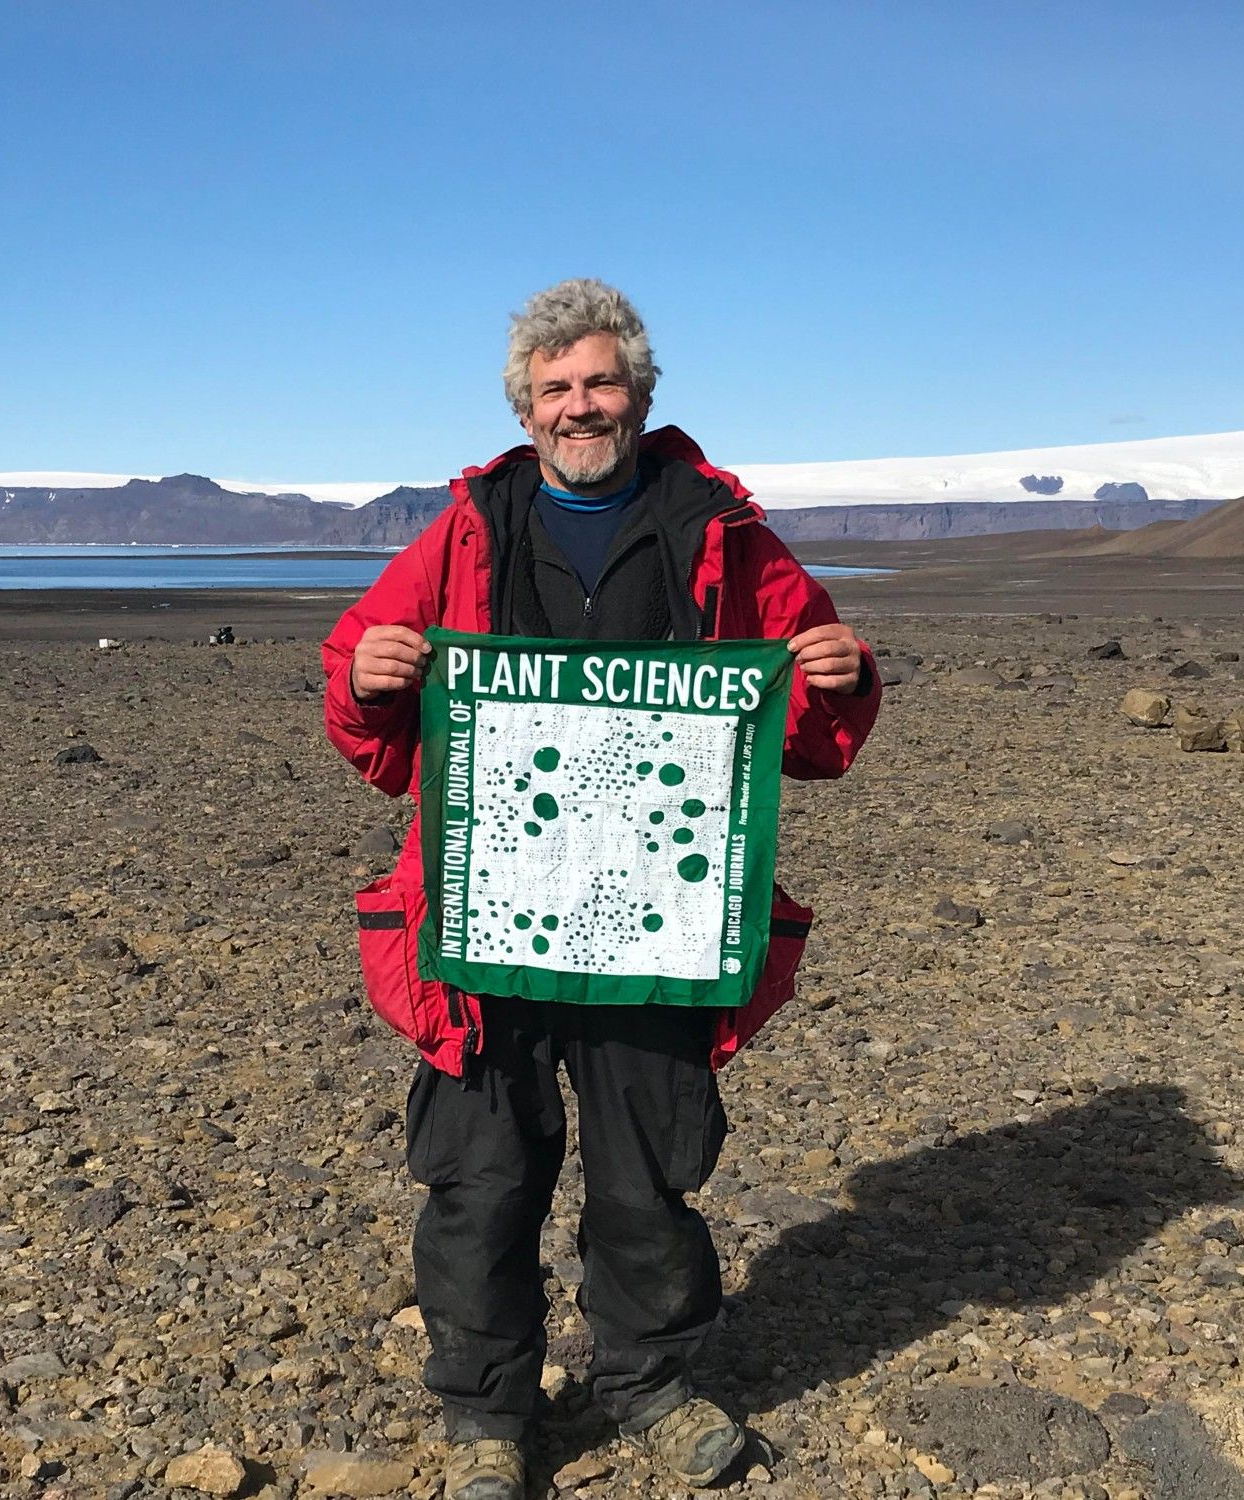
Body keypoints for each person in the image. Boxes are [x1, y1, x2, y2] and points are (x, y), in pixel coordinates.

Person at [321, 279, 880, 1498]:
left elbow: (812, 733)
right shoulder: (470, 527)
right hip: (487, 910)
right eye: (555, 388)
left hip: (653, 924)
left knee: (649, 1170)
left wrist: (835, 675)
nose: (580, 406)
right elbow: (367, 726)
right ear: (526, 407)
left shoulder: (718, 529)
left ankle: (648, 1383)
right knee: (480, 1172)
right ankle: (486, 1417)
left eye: (600, 383)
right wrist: (368, 676)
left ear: (640, 392)